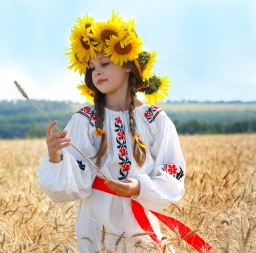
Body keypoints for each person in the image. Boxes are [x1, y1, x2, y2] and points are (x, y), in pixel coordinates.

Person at [38, 11, 186, 252]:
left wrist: (140, 187)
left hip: (141, 226)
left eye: (105, 63)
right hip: (97, 226)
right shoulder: (85, 120)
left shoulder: (155, 120)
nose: (96, 72)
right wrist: (55, 157)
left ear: (128, 65)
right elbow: (72, 183)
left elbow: (174, 171)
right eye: (92, 66)